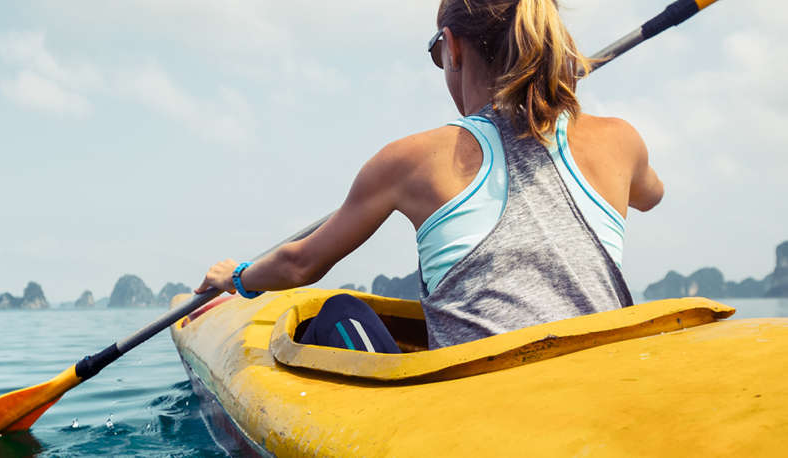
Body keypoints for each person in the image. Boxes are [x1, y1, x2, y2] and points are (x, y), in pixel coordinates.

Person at [195, 0, 664, 352]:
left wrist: (236, 276)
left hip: (474, 407)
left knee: (338, 313)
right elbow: (650, 196)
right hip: (601, 380)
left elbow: (300, 265)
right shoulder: (620, 141)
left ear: (452, 46)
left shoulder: (411, 160)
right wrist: (558, 99)